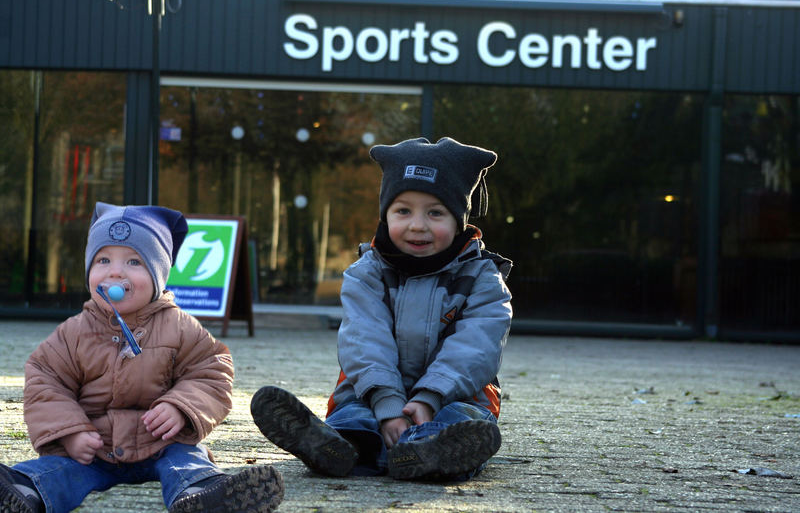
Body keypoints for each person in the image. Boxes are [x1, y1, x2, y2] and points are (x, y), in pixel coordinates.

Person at [251, 137, 512, 481]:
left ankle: (426, 450)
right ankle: (337, 446)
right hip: (371, 395)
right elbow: (364, 340)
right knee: (354, 416)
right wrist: (388, 406)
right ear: (386, 214)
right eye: (403, 211)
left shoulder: (482, 277)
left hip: (453, 397)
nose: (417, 225)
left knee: (463, 419)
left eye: (435, 213)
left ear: (460, 219)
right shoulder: (366, 273)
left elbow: (477, 346)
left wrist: (429, 398)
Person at [0, 202, 284, 513]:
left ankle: (205, 495)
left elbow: (210, 371)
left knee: (187, 462)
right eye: (103, 259)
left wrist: (180, 407)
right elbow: (45, 380)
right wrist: (70, 432)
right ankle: (21, 492)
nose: (115, 271)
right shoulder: (74, 332)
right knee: (57, 471)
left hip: (162, 442)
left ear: (158, 275)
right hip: (95, 448)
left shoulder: (178, 326)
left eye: (134, 262)